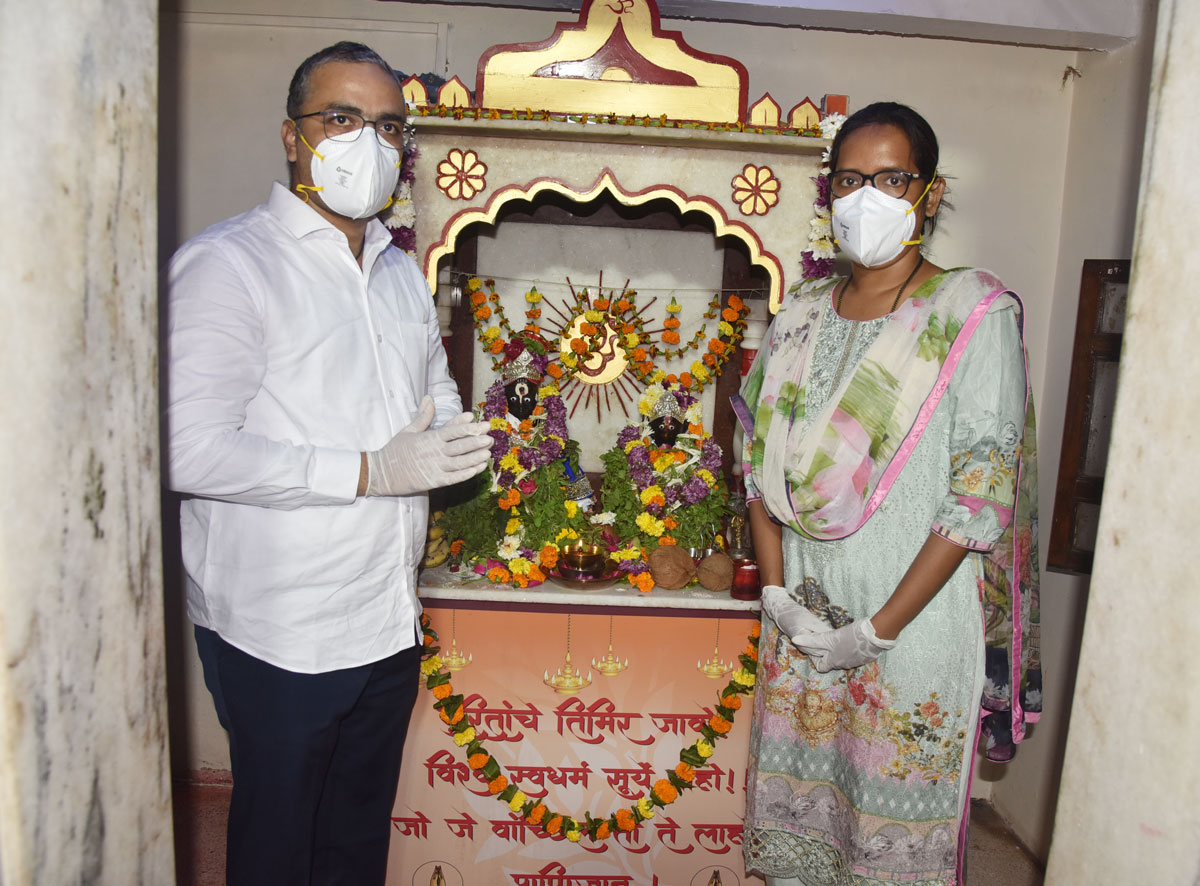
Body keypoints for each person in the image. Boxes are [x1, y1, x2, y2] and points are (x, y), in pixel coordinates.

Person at [164, 42, 492, 886]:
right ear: (292, 136)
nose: (367, 144)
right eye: (341, 118)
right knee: (279, 847)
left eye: (387, 126)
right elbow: (188, 448)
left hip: (384, 615)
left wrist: (457, 439)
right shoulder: (228, 265)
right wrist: (370, 471)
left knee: (353, 840)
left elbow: (434, 395)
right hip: (278, 627)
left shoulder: (399, 273)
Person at [732, 102, 1041, 885]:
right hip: (804, 625)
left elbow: (979, 498)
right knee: (801, 839)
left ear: (930, 194)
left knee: (886, 845)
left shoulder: (971, 314)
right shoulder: (799, 314)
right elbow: (756, 467)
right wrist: (777, 597)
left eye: (890, 178)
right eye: (848, 180)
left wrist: (874, 633)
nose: (865, 197)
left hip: (910, 633)